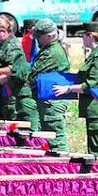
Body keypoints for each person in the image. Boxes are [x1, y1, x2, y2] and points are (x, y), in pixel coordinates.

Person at [52, 22, 98, 155]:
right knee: (94, 149)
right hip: (95, 109)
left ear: (90, 36)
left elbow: (90, 85)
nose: (82, 38)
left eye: (83, 35)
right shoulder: (95, 54)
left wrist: (68, 89)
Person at [28, 19, 70, 152]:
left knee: (55, 140)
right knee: (48, 138)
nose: (37, 41)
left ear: (49, 36)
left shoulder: (51, 52)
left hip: (52, 102)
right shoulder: (48, 48)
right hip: (48, 100)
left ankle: (62, 163)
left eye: (39, 37)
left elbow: (32, 76)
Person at [0, 15, 33, 126]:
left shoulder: (12, 46)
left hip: (13, 90)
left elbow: (13, 68)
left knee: (11, 120)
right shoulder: (2, 44)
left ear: (4, 31)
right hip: (4, 89)